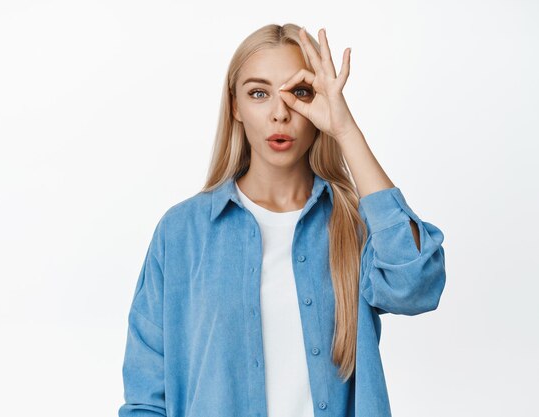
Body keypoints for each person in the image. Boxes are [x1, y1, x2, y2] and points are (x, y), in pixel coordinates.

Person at [118, 23, 446, 417]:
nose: (280, 113)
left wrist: (345, 129)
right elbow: (146, 396)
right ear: (235, 106)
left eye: (299, 93)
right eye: (259, 93)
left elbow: (417, 287)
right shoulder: (182, 232)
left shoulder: (357, 228)